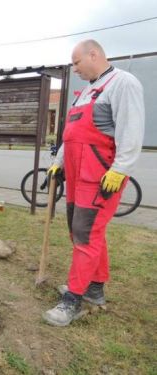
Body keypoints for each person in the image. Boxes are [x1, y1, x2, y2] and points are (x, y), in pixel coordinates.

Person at [43, 39, 145, 327]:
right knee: (82, 233)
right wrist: (59, 162)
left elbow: (132, 129)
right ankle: (95, 288)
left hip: (100, 177)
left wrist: (120, 169)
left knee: (86, 234)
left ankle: (73, 300)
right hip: (76, 177)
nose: (73, 68)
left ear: (94, 54)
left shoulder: (123, 83)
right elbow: (70, 133)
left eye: (76, 62)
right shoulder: (86, 92)